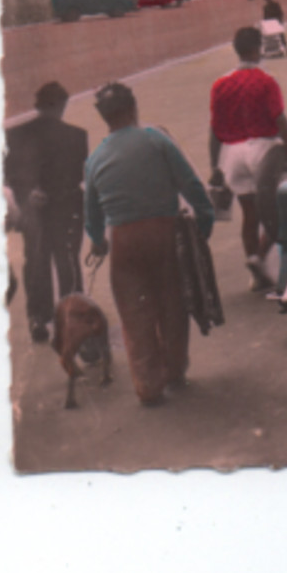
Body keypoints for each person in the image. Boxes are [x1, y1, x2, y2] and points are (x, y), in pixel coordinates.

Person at [83, 82, 214, 406]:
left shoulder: (95, 159)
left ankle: (147, 385)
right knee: (172, 303)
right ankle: (174, 370)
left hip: (124, 240)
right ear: (133, 108)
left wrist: (99, 241)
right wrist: (205, 222)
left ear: (105, 117)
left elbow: (91, 215)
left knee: (134, 312)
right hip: (165, 232)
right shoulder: (157, 140)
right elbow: (191, 184)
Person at [209, 26, 287, 290]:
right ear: (257, 49)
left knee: (250, 213)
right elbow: (280, 118)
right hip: (263, 150)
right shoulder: (266, 81)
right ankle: (260, 255)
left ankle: (253, 264)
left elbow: (214, 130)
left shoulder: (220, 84)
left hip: (232, 153)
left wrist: (215, 166)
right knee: (278, 207)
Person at [4, 81, 88, 343]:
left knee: (36, 264)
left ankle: (37, 318)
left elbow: (7, 174)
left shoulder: (15, 135)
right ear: (62, 105)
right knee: (68, 263)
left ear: (37, 105)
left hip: (34, 212)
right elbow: (77, 176)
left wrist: (29, 192)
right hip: (65, 208)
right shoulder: (77, 135)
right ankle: (72, 318)